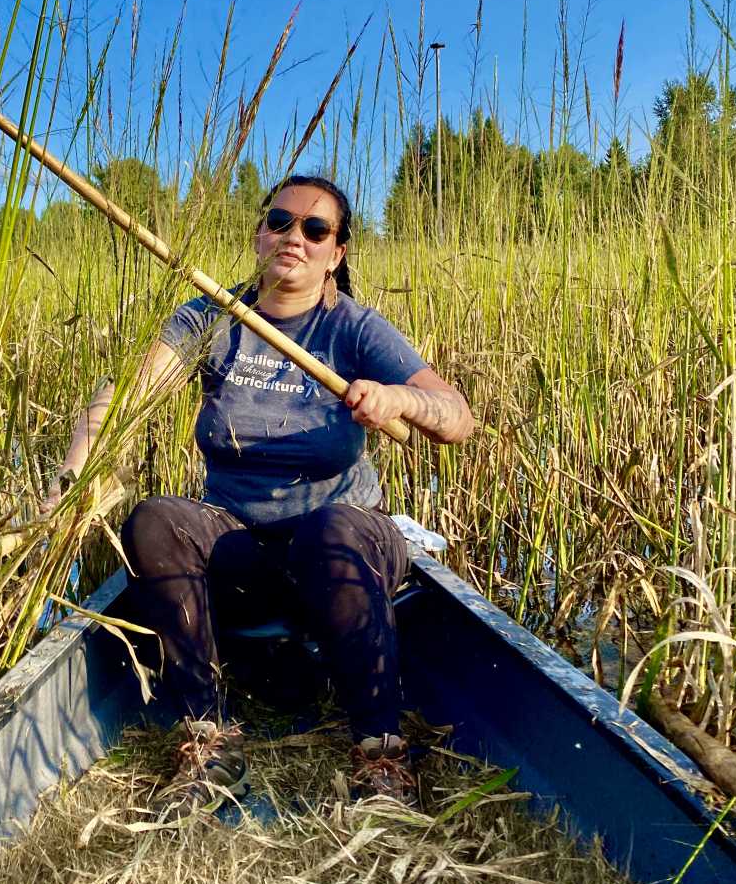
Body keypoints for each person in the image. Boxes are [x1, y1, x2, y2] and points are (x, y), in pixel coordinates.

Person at [43, 174, 473, 813]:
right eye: (280, 222)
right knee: (155, 520)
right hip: (242, 543)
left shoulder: (353, 330)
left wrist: (394, 398)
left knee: (334, 531)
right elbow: (126, 396)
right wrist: (69, 482)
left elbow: (456, 417)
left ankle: (380, 752)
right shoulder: (213, 317)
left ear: (337, 252)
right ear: (258, 234)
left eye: (315, 229)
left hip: (341, 547)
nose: (293, 238)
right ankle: (205, 734)